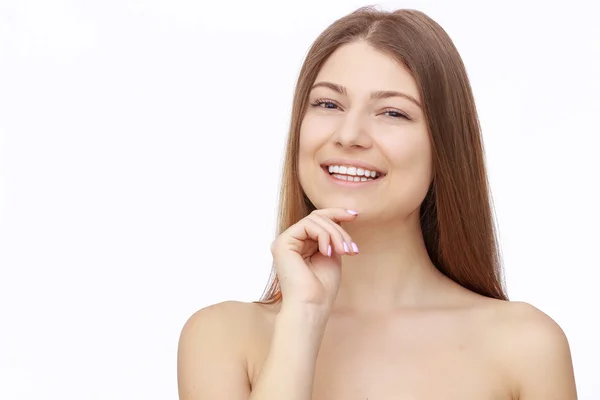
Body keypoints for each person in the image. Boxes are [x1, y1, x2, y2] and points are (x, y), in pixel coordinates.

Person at [177, 6, 577, 399]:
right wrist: (303, 316)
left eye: (392, 112)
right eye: (328, 104)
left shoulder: (527, 347)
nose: (349, 135)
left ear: (445, 147)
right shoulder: (222, 338)